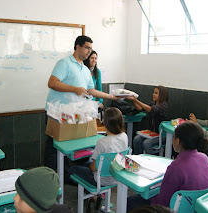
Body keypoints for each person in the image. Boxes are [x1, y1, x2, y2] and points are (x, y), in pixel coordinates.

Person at [45, 35, 119, 177]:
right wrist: (74, 89)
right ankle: (51, 177)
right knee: (54, 148)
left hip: (73, 116)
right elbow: (52, 82)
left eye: (90, 49)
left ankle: (64, 176)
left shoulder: (85, 70)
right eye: (87, 48)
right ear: (77, 46)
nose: (89, 52)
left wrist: (111, 96)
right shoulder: (65, 63)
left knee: (68, 146)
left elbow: (90, 90)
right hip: (57, 114)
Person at [127, 122, 208, 212]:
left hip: (175, 209)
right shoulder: (204, 158)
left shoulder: (176, 166)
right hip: (195, 208)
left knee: (131, 201)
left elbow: (162, 201)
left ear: (177, 141)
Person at [69, 107, 128, 211]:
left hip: (102, 180)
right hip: (117, 176)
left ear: (105, 123)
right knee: (85, 164)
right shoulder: (124, 136)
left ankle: (94, 195)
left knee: (73, 170)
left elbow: (93, 168)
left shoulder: (102, 142)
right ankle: (94, 197)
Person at [127, 86, 168, 154]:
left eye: (156, 93)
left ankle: (150, 161)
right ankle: (139, 159)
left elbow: (149, 109)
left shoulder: (163, 106)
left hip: (161, 135)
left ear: (162, 95)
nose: (153, 94)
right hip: (152, 133)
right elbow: (139, 108)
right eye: (153, 92)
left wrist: (136, 100)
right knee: (137, 139)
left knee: (146, 143)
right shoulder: (153, 103)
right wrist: (134, 101)